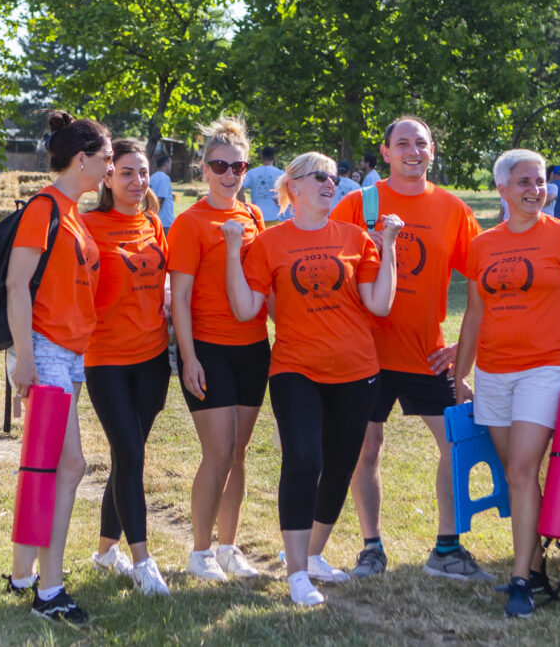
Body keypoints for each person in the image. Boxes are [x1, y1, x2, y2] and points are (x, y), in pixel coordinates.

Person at [222, 152, 403, 606]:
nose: (330, 183)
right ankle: (297, 572)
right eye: (320, 176)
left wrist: (391, 245)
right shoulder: (269, 243)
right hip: (294, 369)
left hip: (357, 371)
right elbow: (248, 310)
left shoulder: (355, 237)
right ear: (295, 185)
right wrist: (229, 252)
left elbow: (379, 305)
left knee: (340, 466)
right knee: (303, 460)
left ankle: (315, 554)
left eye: (335, 178)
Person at [331, 116, 489, 581]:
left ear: (433, 151)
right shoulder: (359, 204)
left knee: (456, 445)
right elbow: (329, 271)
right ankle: (371, 548)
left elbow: (484, 282)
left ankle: (446, 550)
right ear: (385, 153)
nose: (412, 151)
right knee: (367, 449)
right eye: (402, 144)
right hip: (367, 355)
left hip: (429, 354)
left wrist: (465, 344)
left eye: (421, 143)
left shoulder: (453, 209)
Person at [453, 149, 560, 618]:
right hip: (494, 371)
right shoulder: (483, 245)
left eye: (539, 182)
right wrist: (460, 374)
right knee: (515, 472)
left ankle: (519, 580)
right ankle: (534, 563)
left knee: (520, 469)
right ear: (502, 189)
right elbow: (474, 315)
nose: (535, 190)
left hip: (547, 367)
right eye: (523, 182)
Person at [3, 111, 111, 624]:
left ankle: (24, 574)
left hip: (69, 354)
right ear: (82, 158)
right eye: (107, 159)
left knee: (49, 467)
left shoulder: (72, 211)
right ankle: (49, 591)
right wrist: (24, 357)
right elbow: (16, 284)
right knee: (63, 467)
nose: (110, 169)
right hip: (44, 350)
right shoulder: (45, 207)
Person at [167, 116, 269, 582]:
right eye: (220, 165)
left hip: (253, 348)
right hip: (209, 349)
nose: (230, 175)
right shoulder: (189, 223)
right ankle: (200, 552)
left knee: (240, 453)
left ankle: (229, 548)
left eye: (239, 167)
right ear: (203, 168)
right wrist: (188, 358)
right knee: (219, 452)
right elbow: (181, 299)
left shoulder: (251, 216)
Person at [82, 139, 171, 596]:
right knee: (131, 455)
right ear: (108, 177)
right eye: (127, 174)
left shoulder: (154, 224)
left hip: (153, 361)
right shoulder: (88, 225)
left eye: (143, 173)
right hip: (107, 361)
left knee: (126, 457)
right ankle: (142, 562)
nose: (138, 182)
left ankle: (103, 554)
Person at [244, 145, 289, 223]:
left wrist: (243, 204)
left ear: (261, 157)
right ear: (274, 157)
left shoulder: (252, 173)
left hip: (256, 215)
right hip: (275, 215)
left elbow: (241, 187)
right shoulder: (280, 173)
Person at [150, 154, 174, 228]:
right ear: (166, 165)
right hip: (165, 221)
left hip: (154, 220)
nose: (171, 166)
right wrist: (155, 214)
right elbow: (161, 199)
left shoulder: (152, 177)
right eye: (170, 164)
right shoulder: (165, 178)